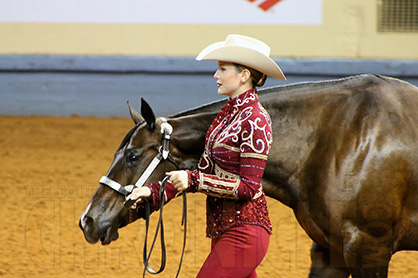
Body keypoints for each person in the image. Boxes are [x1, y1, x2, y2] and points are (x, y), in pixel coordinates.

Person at [126, 34, 286, 278]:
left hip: (244, 234)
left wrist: (193, 181)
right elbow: (203, 171)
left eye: (223, 69)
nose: (216, 75)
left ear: (244, 76)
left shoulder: (256, 120)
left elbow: (248, 188)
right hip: (227, 232)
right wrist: (155, 192)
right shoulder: (226, 115)